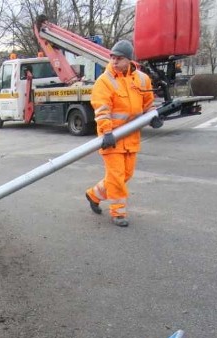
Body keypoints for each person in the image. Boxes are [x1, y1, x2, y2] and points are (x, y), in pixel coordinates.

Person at [85, 39, 155, 228]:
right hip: (112, 138)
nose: (114, 62)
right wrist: (107, 132)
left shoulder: (141, 79)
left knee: (125, 175)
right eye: (113, 58)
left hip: (131, 137)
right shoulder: (105, 81)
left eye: (119, 58)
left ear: (129, 60)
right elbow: (101, 108)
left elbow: (148, 102)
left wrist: (153, 116)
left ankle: (93, 194)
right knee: (116, 177)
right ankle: (118, 213)